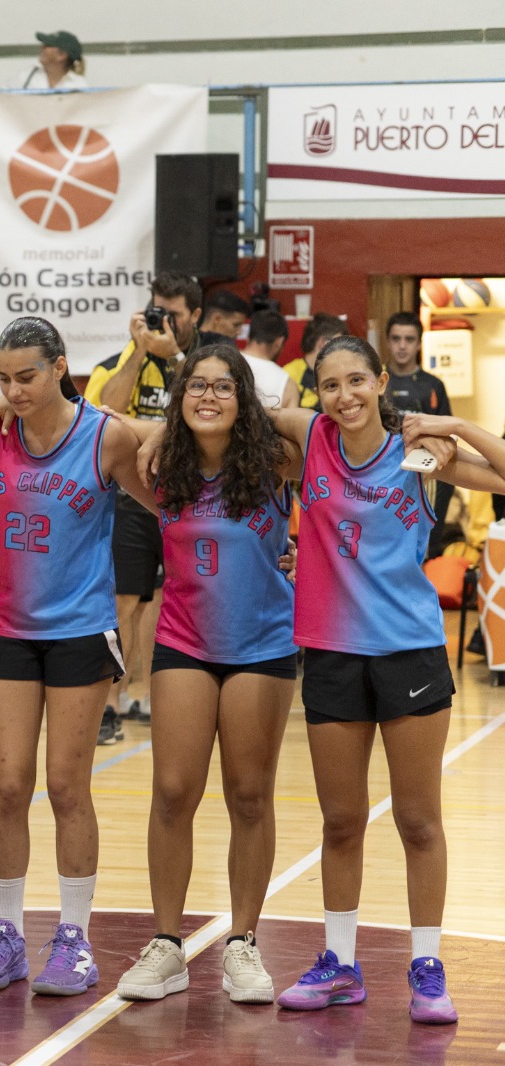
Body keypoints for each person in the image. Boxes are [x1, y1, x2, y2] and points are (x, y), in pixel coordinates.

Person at [256, 335, 505, 1025]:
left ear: (380, 381)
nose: (346, 396)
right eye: (330, 385)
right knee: (340, 822)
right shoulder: (309, 440)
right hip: (332, 655)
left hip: (409, 654)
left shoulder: (420, 453)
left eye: (357, 380)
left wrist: (452, 424)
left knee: (418, 821)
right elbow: (240, 416)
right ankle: (340, 963)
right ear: (318, 393)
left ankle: (427, 967)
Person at [0, 316, 158, 997]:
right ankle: (7, 936)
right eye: (4, 378)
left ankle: (74, 939)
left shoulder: (107, 436)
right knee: (8, 786)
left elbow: (165, 505)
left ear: (59, 366)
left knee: (67, 786)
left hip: (80, 630)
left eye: (27, 376)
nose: (14, 390)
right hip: (6, 629)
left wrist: (261, 536)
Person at [108, 345, 299, 1005]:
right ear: (178, 396)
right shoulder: (161, 471)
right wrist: (165, 425)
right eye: (196, 387)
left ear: (246, 399)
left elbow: (310, 425)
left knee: (249, 794)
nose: (209, 397)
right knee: (171, 791)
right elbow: (111, 430)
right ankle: (168, 945)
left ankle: (243, 942)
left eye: (224, 387)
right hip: (183, 643)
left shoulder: (276, 464)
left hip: (262, 645)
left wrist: (256, 414)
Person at [85, 272, 203, 738]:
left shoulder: (207, 362)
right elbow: (102, 416)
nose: (163, 322)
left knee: (178, 602)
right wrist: (137, 354)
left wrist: (173, 356)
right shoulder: (115, 363)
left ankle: (157, 699)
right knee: (122, 604)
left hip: (191, 499)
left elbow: (204, 406)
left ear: (194, 315)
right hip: (130, 501)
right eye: (157, 311)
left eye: (173, 315)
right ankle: (110, 706)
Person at [384, 312, 454, 558]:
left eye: (409, 339)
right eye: (396, 338)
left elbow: (449, 437)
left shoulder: (433, 385)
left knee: (423, 549)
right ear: (387, 341)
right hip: (384, 474)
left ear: (419, 343)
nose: (402, 346)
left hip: (425, 476)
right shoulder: (376, 382)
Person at [282, 312, 348, 411]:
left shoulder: (341, 371)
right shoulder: (289, 374)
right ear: (323, 343)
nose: (344, 350)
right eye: (339, 344)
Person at [242, 310, 300, 409]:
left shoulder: (221, 360)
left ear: (248, 336)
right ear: (279, 341)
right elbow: (291, 423)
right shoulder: (287, 385)